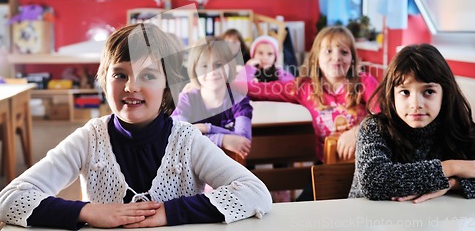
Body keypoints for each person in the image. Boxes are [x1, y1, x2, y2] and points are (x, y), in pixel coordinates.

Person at [0, 23, 272, 229]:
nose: (131, 86)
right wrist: (86, 211)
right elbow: (9, 198)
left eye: (149, 75)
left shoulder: (186, 140)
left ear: (168, 85)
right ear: (104, 80)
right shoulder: (89, 139)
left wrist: (169, 212)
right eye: (119, 74)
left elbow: (256, 193)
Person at [236, 26, 379, 200]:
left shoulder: (364, 81)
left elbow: (386, 114)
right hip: (327, 165)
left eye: (344, 52)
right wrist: (220, 85)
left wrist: (358, 132)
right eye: (328, 51)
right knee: (302, 211)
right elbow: (258, 90)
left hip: (367, 163)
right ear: (316, 57)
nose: (336, 58)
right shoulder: (305, 87)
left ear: (353, 58)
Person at [349, 44, 475, 202]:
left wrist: (454, 184)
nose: (416, 104)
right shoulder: (374, 127)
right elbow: (374, 181)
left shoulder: (455, 127)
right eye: (405, 92)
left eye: (428, 91)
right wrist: (453, 167)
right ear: (392, 95)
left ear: (445, 94)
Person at [172, 36, 253, 160]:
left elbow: (243, 140)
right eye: (204, 66)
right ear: (194, 70)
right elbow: (178, 138)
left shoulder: (239, 100)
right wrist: (222, 139)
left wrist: (206, 128)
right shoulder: (185, 100)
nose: (212, 72)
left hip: (231, 170)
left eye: (219, 64)